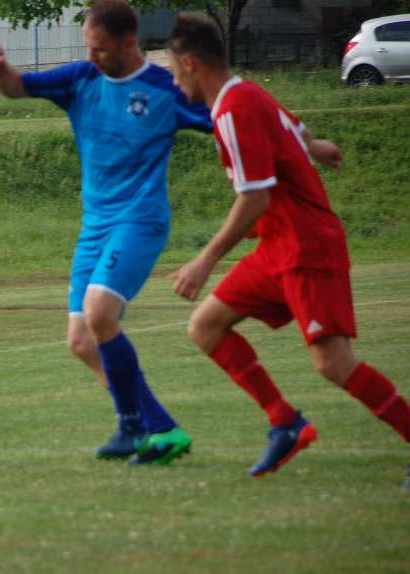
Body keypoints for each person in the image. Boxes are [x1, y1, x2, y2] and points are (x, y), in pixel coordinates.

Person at [166, 12, 410, 480]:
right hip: (279, 246)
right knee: (206, 326)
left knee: (333, 363)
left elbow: (254, 198)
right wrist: (315, 145)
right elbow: (290, 129)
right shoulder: (245, 94)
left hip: (306, 245)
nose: (176, 83)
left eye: (175, 72)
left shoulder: (232, 109)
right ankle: (285, 422)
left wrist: (204, 259)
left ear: (191, 63)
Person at [0, 0, 213, 464]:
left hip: (140, 221)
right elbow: (15, 88)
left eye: (100, 49)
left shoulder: (167, 90)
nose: (91, 56)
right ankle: (159, 429)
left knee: (100, 313)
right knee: (81, 341)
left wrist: (296, 149)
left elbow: (231, 121)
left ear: (129, 43)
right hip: (95, 227)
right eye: (88, 46)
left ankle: (132, 429)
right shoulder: (81, 79)